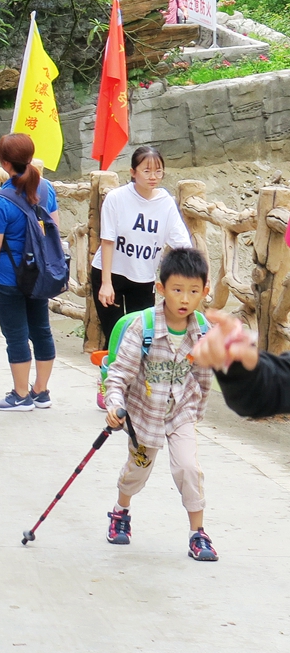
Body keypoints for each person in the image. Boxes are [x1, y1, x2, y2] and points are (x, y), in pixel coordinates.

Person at [102, 247, 218, 562]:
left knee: (188, 468)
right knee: (137, 470)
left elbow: (203, 379)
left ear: (205, 292)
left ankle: (198, 533)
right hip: (143, 415)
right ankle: (120, 510)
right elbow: (119, 373)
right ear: (161, 288)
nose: (184, 299)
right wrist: (114, 404)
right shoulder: (145, 327)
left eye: (193, 291)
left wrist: (194, 416)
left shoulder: (202, 333)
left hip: (181, 412)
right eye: (177, 290)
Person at [0, 133, 61, 413]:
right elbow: (54, 229)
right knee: (41, 330)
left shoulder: (2, 200)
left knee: (16, 335)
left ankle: (21, 394)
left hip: (8, 277)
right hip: (40, 274)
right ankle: (41, 391)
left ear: (4, 163)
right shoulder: (47, 188)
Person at [94, 145, 192, 344]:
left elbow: (182, 243)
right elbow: (107, 240)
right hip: (110, 273)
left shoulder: (165, 202)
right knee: (115, 338)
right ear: (133, 172)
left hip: (143, 278)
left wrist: (196, 274)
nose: (153, 176)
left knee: (140, 339)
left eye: (158, 171)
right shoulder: (116, 198)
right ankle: (109, 375)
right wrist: (106, 284)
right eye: (146, 171)